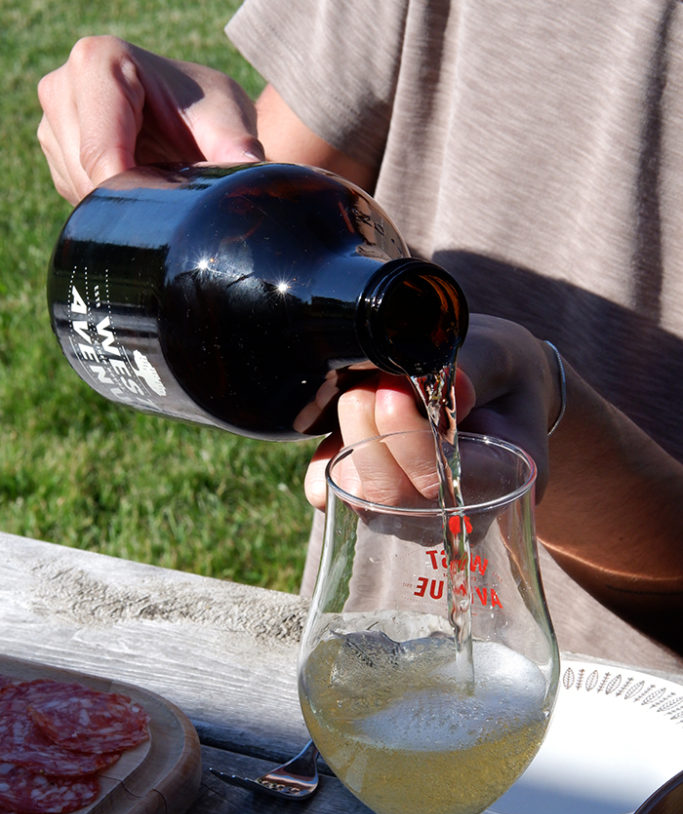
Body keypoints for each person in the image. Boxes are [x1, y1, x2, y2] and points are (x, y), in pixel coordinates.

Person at [36, 0, 683, 672]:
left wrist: (558, 421)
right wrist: (189, 151)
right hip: (371, 663)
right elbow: (264, 184)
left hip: (646, 722)